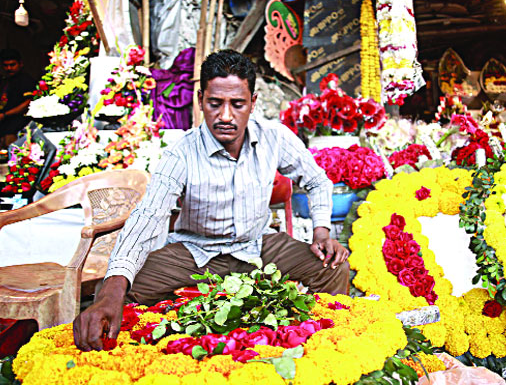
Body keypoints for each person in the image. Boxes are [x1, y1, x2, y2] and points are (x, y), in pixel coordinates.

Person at [74, 50, 350, 351]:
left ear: (253, 103)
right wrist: (113, 288)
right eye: (215, 104)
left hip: (258, 245)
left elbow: (317, 180)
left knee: (333, 266)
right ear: (200, 99)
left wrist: (322, 232)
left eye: (238, 104)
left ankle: (327, 347)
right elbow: (148, 216)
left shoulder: (275, 137)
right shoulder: (181, 153)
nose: (226, 116)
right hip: (195, 253)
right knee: (112, 289)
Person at [0, 49, 36, 148]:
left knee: (13, 150)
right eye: (5, 65)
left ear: (20, 64)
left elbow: (28, 103)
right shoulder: (5, 81)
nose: (9, 68)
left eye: (12, 65)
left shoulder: (25, 80)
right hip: (4, 125)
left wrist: (5, 114)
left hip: (19, 124)